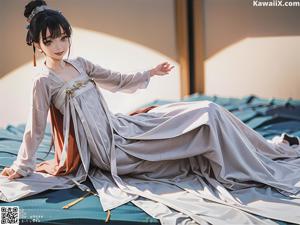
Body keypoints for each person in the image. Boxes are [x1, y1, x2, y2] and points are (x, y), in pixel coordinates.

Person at [1, 1, 300, 224]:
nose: (58, 45)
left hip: (121, 128)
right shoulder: (42, 80)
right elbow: (35, 128)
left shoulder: (79, 63)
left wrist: (151, 72)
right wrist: (22, 167)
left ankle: (268, 153)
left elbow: (118, 81)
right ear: (37, 44)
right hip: (111, 151)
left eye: (63, 37)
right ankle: (258, 161)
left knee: (210, 110)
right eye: (49, 40)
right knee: (205, 120)